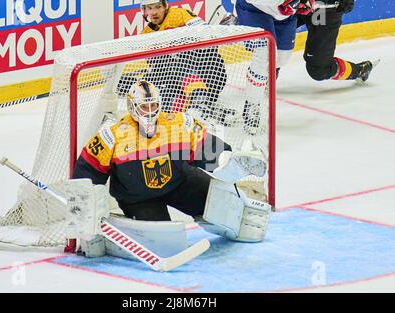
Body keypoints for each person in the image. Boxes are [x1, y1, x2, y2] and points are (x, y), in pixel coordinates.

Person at [73, 80, 271, 244]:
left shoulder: (176, 123)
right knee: (163, 241)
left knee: (221, 202)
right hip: (138, 198)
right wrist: (87, 214)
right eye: (144, 106)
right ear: (132, 107)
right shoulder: (112, 135)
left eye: (153, 105)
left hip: (180, 183)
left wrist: (226, 160)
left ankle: (234, 209)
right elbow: (88, 172)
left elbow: (206, 148)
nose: (149, 112)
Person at [119, 0, 228, 117]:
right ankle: (195, 110)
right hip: (179, 83)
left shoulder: (179, 15)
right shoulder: (146, 34)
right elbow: (160, 70)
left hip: (210, 76)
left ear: (165, 6)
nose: (154, 12)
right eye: (150, 8)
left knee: (175, 62)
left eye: (158, 7)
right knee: (152, 86)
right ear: (144, 11)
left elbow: (209, 39)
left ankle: (200, 100)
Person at [298, 0, 377, 82]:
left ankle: (359, 70)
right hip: (293, 4)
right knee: (283, 32)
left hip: (323, 10)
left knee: (319, 70)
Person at [235, 0, 316, 76]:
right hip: (255, 9)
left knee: (282, 58)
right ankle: (256, 88)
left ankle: (265, 77)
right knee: (265, 56)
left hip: (283, 14)